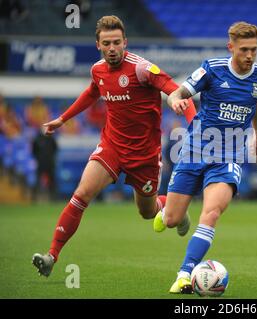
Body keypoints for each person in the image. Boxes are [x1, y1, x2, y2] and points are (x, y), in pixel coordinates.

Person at [31, 15, 196, 277]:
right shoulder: (97, 70)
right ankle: (51, 255)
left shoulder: (142, 69)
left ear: (125, 42)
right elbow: (91, 93)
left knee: (146, 212)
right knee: (81, 194)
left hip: (144, 155)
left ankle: (172, 206)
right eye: (106, 43)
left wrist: (193, 123)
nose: (112, 48)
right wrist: (63, 119)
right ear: (98, 44)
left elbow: (178, 91)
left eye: (116, 42)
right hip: (112, 147)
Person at [152, 21, 257, 294]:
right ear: (231, 47)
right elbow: (181, 91)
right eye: (244, 50)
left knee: (212, 212)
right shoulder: (212, 69)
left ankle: (185, 273)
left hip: (229, 155)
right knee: (171, 220)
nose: (250, 55)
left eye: (254, 49)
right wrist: (175, 101)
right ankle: (169, 211)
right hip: (195, 149)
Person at [32, 128, 58, 201]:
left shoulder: (51, 139)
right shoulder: (37, 139)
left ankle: (53, 198)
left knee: (52, 181)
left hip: (50, 163)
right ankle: (35, 198)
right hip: (40, 163)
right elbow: (34, 151)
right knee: (37, 180)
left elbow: (55, 149)